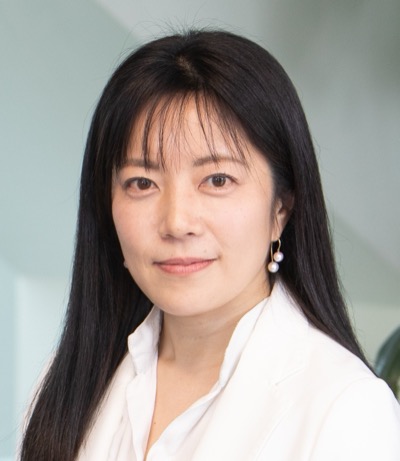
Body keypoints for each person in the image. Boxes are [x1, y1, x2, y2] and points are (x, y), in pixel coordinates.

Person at [20, 29, 400, 461]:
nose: (176, 222)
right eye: (142, 183)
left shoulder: (347, 409)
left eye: (217, 180)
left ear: (281, 208)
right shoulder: (67, 383)